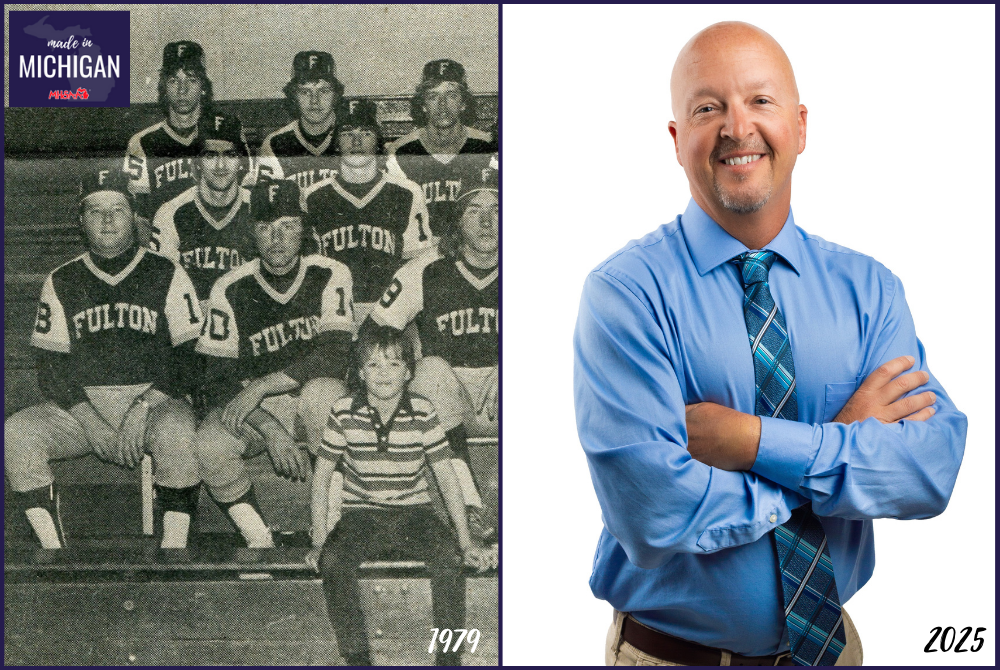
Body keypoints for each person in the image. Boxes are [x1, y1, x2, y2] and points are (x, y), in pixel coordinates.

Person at [573, 22, 967, 667]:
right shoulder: (625, 295)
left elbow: (928, 469)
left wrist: (748, 443)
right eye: (708, 108)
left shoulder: (869, 292)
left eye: (761, 100)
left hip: (834, 653)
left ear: (801, 126)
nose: (736, 127)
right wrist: (842, 447)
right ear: (676, 141)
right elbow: (653, 511)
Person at [4, 168, 205, 550]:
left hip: (155, 402)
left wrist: (145, 405)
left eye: (118, 209)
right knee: (16, 432)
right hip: (81, 409)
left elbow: (190, 356)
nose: (108, 219)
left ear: (135, 217)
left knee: (179, 432)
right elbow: (51, 367)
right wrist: (89, 420)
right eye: (95, 211)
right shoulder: (61, 279)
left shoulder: (166, 271)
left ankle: (175, 554)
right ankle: (54, 552)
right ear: (81, 222)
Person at [305, 325, 492, 667]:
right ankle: (358, 658)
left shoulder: (422, 411)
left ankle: (449, 659)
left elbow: (446, 478)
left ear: (408, 372)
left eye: (393, 364)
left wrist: (465, 542)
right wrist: (319, 540)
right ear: (360, 373)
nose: (383, 374)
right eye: (373, 365)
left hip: (415, 513)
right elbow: (321, 477)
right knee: (332, 563)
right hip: (360, 514)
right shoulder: (343, 410)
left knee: (449, 561)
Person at [195, 178, 353, 548]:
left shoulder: (330, 272)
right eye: (266, 228)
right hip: (260, 409)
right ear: (252, 234)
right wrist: (269, 427)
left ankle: (329, 528)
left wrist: (261, 385)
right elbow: (215, 377)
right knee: (209, 442)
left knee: (323, 394)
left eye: (287, 226)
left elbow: (333, 355)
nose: (277, 238)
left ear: (305, 230)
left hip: (307, 395)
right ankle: (258, 537)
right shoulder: (229, 286)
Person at [369, 167, 500, 545]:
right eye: (474, 210)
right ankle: (471, 505)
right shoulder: (425, 270)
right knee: (428, 369)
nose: (487, 220)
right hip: (447, 400)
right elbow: (374, 331)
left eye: (496, 208)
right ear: (457, 221)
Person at [303, 97, 432, 327]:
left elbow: (418, 265)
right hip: (333, 315)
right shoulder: (312, 196)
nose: (356, 141)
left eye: (365, 133)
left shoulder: (407, 191)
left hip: (391, 313)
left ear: (378, 141)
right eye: (347, 133)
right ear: (336, 142)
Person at [386, 59, 494, 247]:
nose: (442, 105)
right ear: (423, 105)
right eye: (433, 96)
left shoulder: (487, 147)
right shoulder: (402, 151)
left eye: (451, 95)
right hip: (421, 251)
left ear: (463, 103)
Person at [151, 111, 255, 304]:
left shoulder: (257, 208)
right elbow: (161, 285)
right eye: (210, 155)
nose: (220, 165)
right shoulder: (171, 213)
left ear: (241, 161)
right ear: (197, 162)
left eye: (230, 155)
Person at [124, 41, 215, 230]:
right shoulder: (141, 143)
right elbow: (139, 216)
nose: (182, 90)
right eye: (174, 80)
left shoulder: (224, 136)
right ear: (163, 87)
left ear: (203, 87)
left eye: (191, 79)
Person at [257, 51, 344, 190]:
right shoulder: (275, 143)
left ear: (336, 95)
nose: (314, 101)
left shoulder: (353, 138)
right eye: (305, 92)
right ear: (294, 97)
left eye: (323, 91)